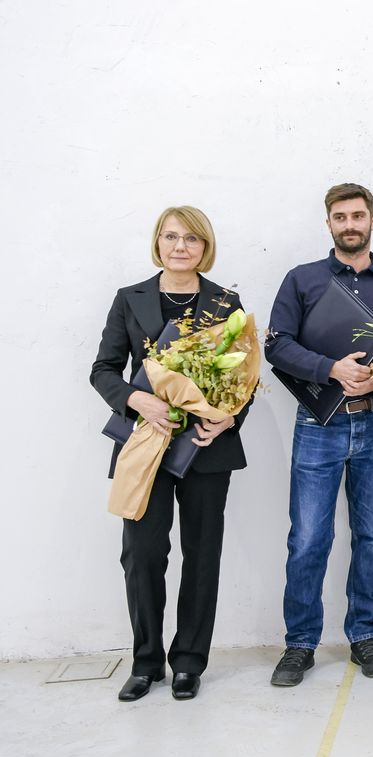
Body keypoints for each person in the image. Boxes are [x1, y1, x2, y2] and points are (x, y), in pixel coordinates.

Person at [91, 206, 250, 701]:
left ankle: (188, 663)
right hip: (146, 442)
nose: (180, 247)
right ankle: (145, 662)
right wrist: (136, 398)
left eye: (191, 239)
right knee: (141, 555)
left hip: (206, 446)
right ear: (157, 243)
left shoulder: (226, 301)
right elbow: (104, 370)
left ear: (206, 247)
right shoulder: (129, 298)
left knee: (202, 555)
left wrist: (228, 416)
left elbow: (243, 377)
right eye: (170, 237)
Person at [265, 183, 373, 686]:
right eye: (339, 216)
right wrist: (331, 368)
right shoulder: (302, 280)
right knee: (308, 539)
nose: (349, 224)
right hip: (319, 425)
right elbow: (277, 347)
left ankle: (364, 637)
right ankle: (299, 644)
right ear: (328, 223)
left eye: (357, 215)